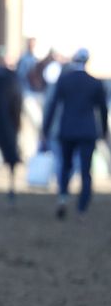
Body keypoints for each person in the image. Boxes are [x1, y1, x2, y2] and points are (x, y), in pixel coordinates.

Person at [40, 48, 108, 220]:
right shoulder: (95, 83)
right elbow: (103, 110)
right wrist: (105, 131)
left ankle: (63, 197)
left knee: (65, 166)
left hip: (67, 129)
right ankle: (82, 208)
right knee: (86, 171)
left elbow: (53, 106)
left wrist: (45, 129)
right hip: (87, 131)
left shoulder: (64, 81)